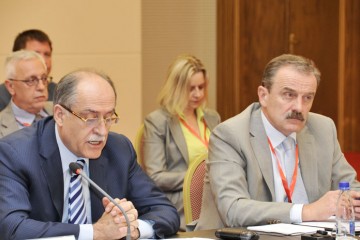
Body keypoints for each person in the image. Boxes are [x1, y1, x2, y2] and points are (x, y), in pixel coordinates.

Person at [0, 69, 180, 239]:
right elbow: (12, 227)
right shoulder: (16, 153)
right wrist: (95, 233)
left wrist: (132, 229)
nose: (102, 131)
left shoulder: (119, 149)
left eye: (109, 117)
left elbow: (165, 211)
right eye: (90, 118)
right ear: (60, 115)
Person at [195, 54, 360, 230]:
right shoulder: (230, 135)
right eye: (289, 95)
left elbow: (351, 188)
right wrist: (307, 211)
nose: (299, 107)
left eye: (307, 98)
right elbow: (233, 210)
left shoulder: (323, 129)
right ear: (263, 95)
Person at [143, 54, 220, 231]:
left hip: (214, 195)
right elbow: (156, 177)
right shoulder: (157, 122)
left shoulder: (212, 117)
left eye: (201, 87)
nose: (198, 94)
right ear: (176, 87)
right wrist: (199, 179)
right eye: (190, 88)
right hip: (180, 200)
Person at [0, 50, 53, 138]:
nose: (41, 87)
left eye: (44, 78)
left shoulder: (62, 111)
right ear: (11, 87)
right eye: (31, 80)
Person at [0, 29, 56, 111]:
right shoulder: (2, 97)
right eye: (35, 55)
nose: (42, 60)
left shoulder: (59, 93)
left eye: (47, 54)